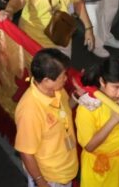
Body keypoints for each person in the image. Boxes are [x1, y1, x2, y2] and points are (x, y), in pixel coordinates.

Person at [75, 57, 119, 187]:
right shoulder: (88, 106)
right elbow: (89, 146)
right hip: (99, 167)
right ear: (102, 81)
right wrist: (113, 120)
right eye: (116, 87)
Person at [14, 48, 80, 187]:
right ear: (46, 80)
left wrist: (77, 97)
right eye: (63, 75)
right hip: (50, 177)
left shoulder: (56, 90)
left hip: (66, 168)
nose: (66, 78)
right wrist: (41, 182)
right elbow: (26, 153)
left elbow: (64, 111)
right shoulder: (29, 111)